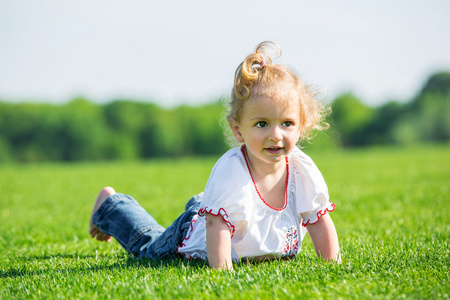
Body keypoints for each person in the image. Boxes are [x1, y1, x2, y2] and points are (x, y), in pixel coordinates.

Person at [89, 41, 340, 270]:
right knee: (149, 247)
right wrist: (222, 273)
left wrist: (332, 266)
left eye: (287, 123)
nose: (275, 134)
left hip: (218, 206)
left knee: (210, 208)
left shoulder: (301, 170)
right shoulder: (233, 171)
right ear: (237, 129)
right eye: (262, 124)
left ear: (301, 125)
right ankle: (112, 205)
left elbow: (318, 220)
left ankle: (200, 203)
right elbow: (216, 226)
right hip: (201, 227)